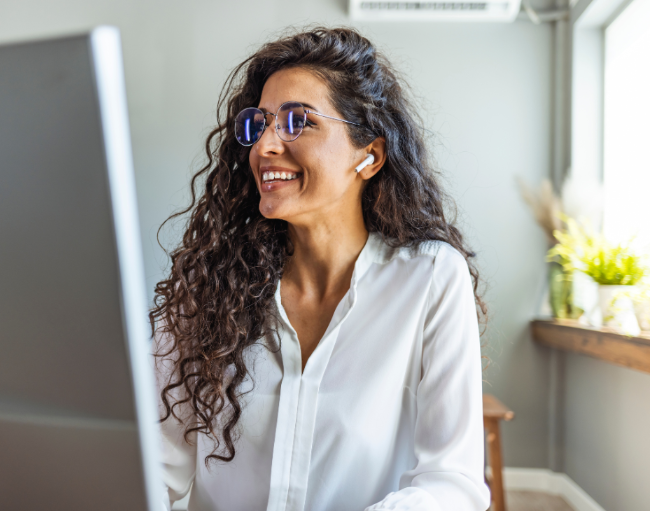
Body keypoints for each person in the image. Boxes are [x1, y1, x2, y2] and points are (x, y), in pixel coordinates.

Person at [150, 26, 490, 511]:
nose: (265, 145)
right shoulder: (209, 288)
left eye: (297, 121)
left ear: (368, 156)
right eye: (260, 123)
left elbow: (452, 483)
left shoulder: (430, 279)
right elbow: (153, 469)